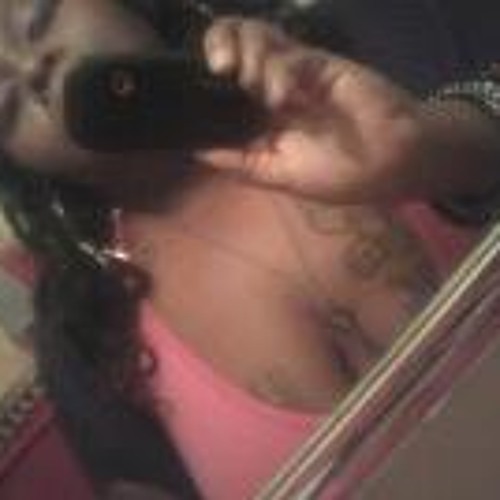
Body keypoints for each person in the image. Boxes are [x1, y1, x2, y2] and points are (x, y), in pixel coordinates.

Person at [0, 0, 499, 498]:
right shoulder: (83, 334)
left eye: (39, 17)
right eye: (5, 102)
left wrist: (433, 141)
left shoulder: (359, 39)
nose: (32, 68)